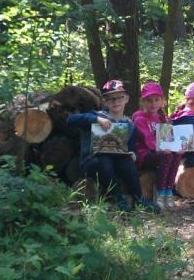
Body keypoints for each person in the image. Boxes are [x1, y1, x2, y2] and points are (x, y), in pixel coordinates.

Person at [67, 79, 160, 213]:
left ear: (126, 99)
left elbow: (131, 147)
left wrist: (133, 154)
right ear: (105, 101)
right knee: (104, 160)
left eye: (119, 98)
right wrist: (96, 120)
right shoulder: (97, 116)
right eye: (111, 99)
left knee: (127, 161)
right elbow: (71, 120)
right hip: (92, 162)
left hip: (116, 162)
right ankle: (118, 197)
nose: (116, 102)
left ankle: (138, 198)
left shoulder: (128, 124)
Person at [132, 81, 182, 209]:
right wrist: (162, 148)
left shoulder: (162, 117)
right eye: (149, 100)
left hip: (160, 151)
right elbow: (147, 140)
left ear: (162, 101)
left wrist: (177, 146)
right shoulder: (139, 118)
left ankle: (168, 191)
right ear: (142, 102)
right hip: (144, 155)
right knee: (168, 155)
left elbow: (168, 138)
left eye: (156, 100)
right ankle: (160, 193)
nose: (153, 104)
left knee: (175, 155)